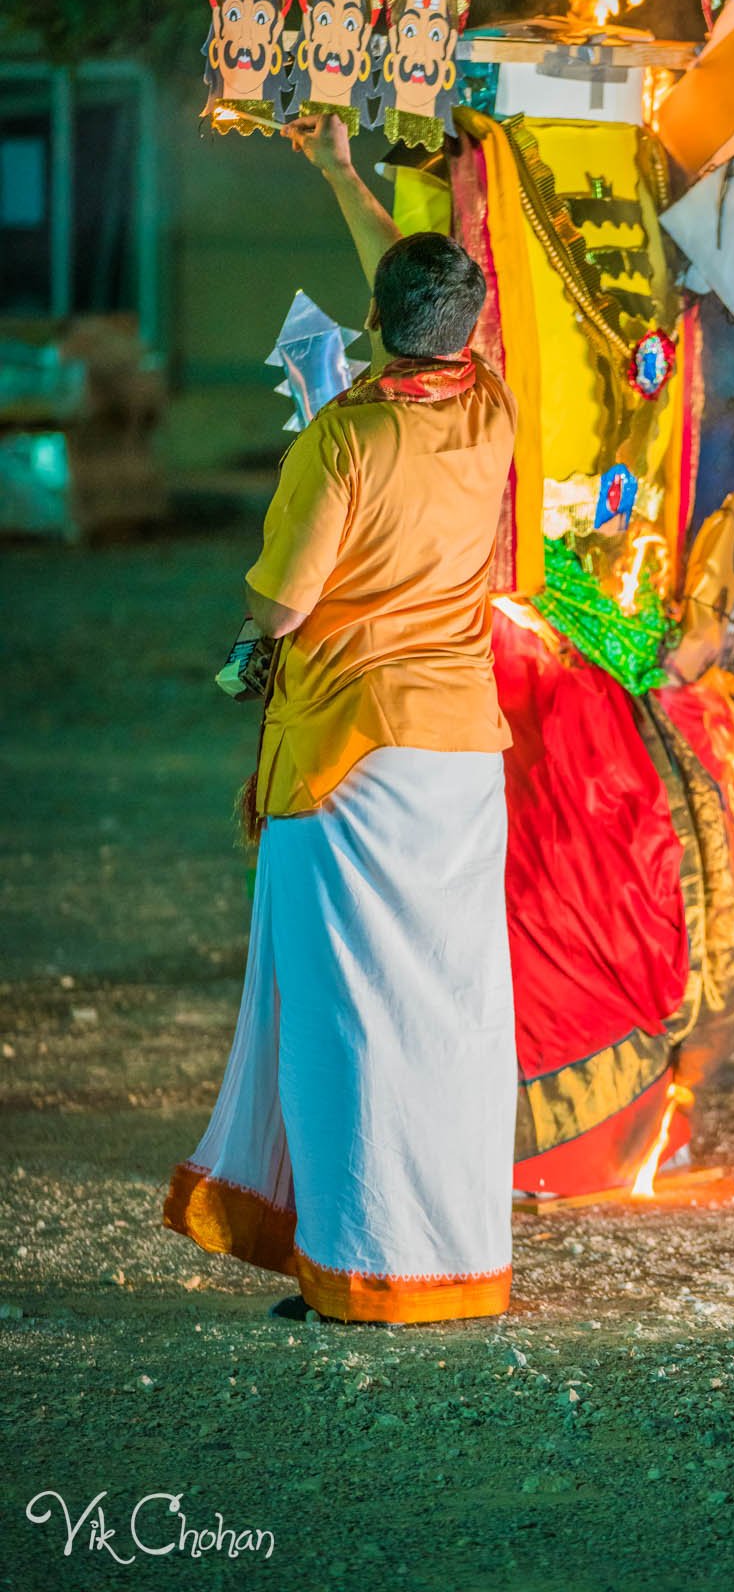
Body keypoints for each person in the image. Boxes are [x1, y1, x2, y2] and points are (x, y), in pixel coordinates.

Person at [164, 233, 520, 1322]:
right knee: (451, 1017)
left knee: (348, 1018)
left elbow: (280, 604)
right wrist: (342, 177)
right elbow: (424, 313)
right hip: (461, 754)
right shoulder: (494, 411)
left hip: (350, 756)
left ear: (373, 322)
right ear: (468, 331)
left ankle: (361, 1269)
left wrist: (250, 641)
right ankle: (458, 1264)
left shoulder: (342, 441)